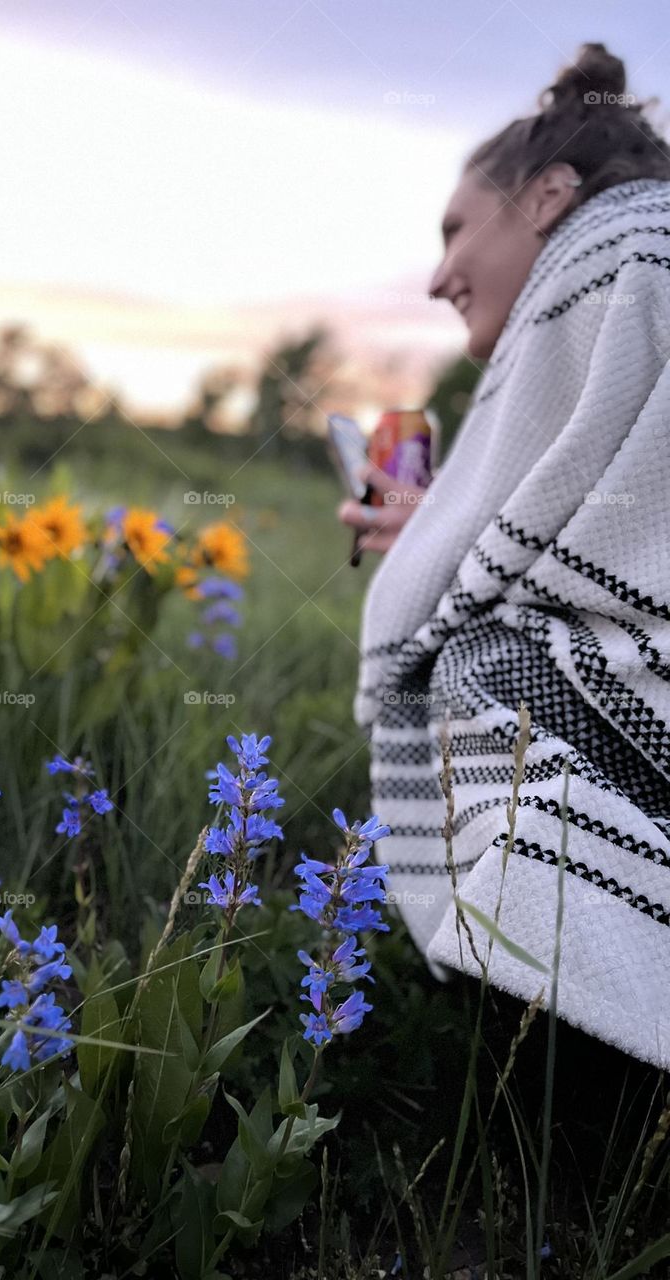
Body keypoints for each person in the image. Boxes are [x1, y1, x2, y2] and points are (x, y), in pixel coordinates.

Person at [340, 42, 670, 1079]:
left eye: (452, 232)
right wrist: (451, 524)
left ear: (549, 195)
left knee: (489, 670)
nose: (439, 275)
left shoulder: (613, 257)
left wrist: (441, 554)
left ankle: (581, 1058)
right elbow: (611, 508)